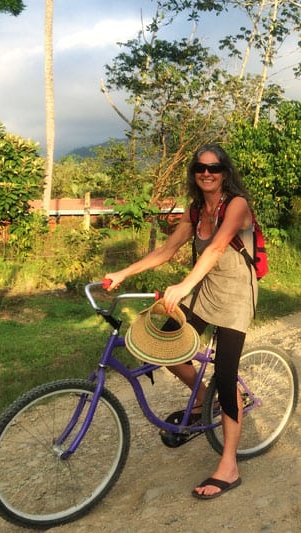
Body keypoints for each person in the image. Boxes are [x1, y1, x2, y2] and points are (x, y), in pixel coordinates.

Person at [104, 143, 256, 500]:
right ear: (193, 173)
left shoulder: (236, 205)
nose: (207, 173)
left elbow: (218, 248)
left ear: (225, 172)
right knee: (157, 347)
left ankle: (229, 466)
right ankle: (206, 401)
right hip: (204, 289)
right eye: (200, 168)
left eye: (214, 168)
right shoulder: (195, 209)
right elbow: (167, 250)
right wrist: (123, 273)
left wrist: (183, 284)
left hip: (235, 295)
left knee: (224, 372)